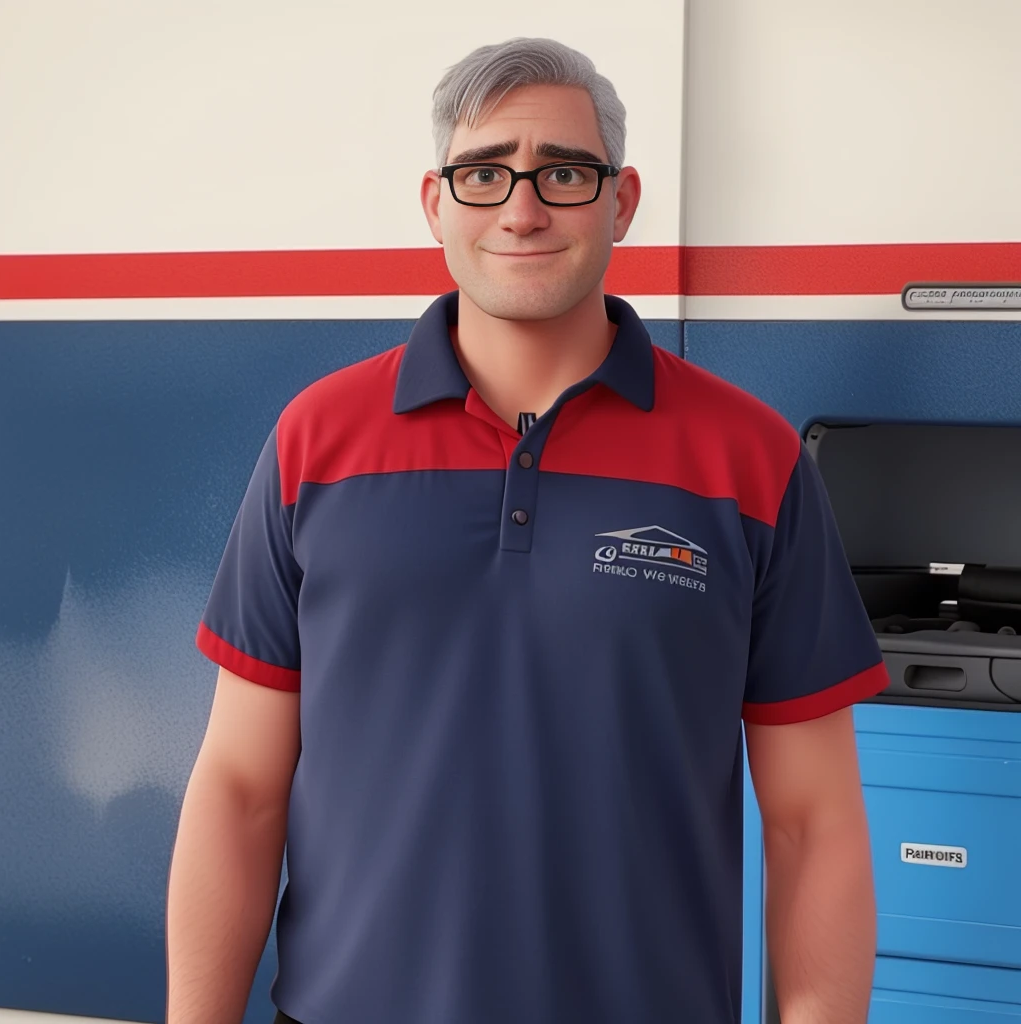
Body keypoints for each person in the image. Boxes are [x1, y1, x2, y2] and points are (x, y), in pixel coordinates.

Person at [166, 36, 889, 1024]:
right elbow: (240, 788)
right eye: (483, 173)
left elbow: (814, 826)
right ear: (435, 202)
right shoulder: (317, 442)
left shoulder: (746, 460)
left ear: (621, 199)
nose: (521, 206)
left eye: (562, 171)